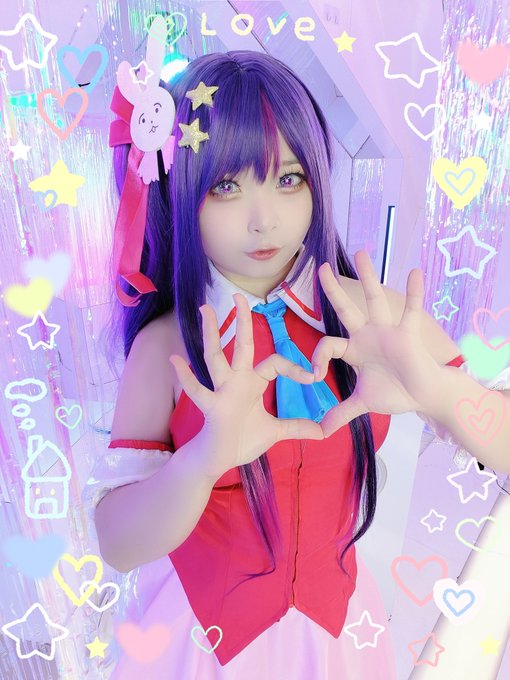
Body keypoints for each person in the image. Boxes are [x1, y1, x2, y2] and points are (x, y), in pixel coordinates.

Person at [82, 49, 505, 679]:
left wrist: (438, 391)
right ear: (179, 190)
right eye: (227, 186)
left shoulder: (373, 317)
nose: (265, 220)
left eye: (288, 179)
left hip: (339, 641)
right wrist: (201, 463)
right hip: (198, 649)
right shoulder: (167, 348)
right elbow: (117, 544)